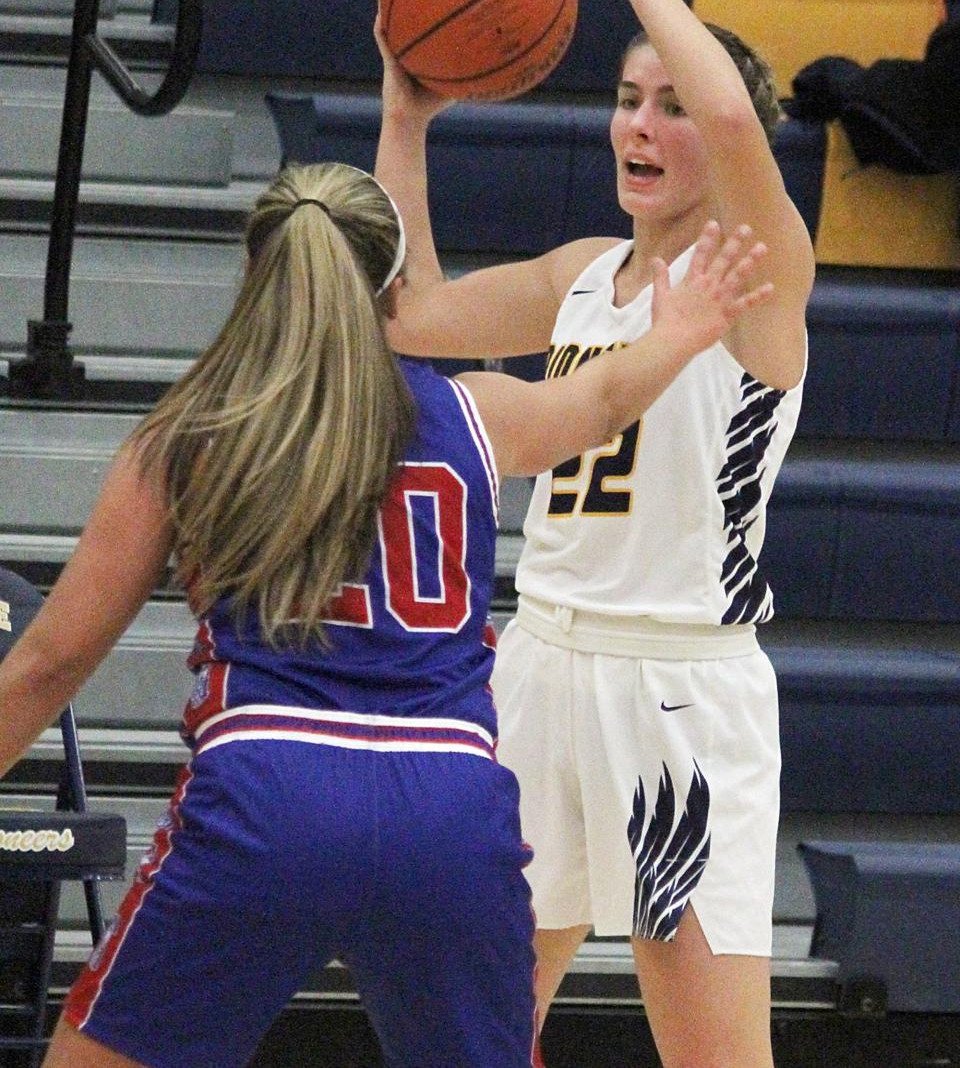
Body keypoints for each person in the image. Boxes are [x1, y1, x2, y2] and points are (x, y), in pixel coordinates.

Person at [0, 158, 768, 1068]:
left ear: (258, 278)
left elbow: (47, 663)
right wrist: (676, 333)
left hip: (267, 791)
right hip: (445, 801)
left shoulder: (191, 434)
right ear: (397, 289)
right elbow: (599, 400)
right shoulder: (476, 414)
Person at [374, 0, 815, 1068]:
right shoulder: (579, 274)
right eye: (629, 98)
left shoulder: (756, 278)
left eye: (672, 103)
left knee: (715, 1057)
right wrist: (406, 117)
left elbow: (735, 117)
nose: (644, 124)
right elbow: (406, 311)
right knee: (473, 1033)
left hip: (678, 696)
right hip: (540, 663)